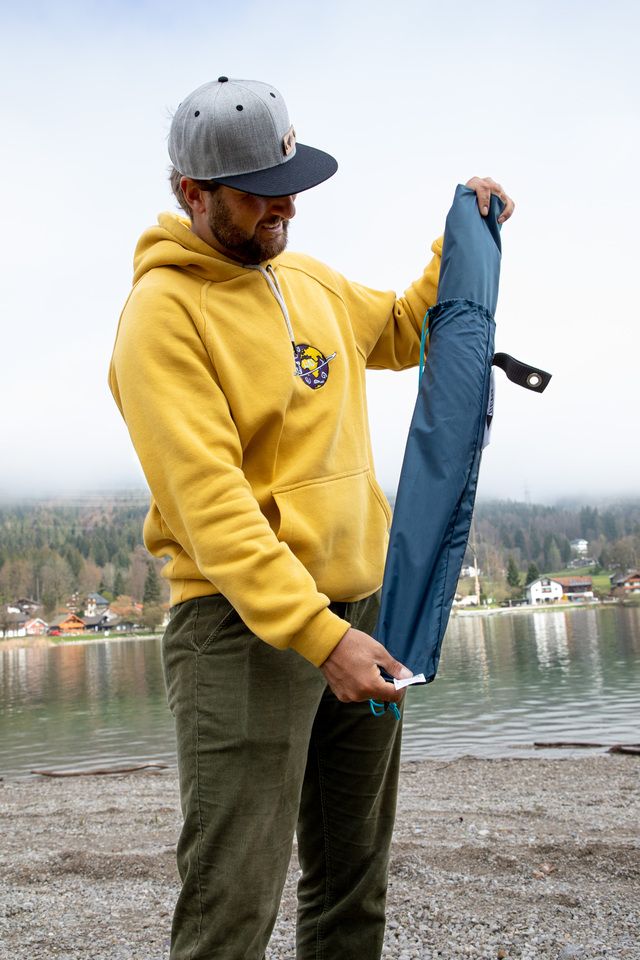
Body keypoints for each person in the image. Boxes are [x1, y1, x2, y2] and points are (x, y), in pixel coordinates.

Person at [109, 76, 514, 960]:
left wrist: (462, 237)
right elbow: (212, 511)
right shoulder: (160, 319)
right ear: (194, 194)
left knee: (353, 880)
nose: (286, 205)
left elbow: (405, 328)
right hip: (239, 632)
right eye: (260, 191)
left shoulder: (309, 280)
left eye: (291, 182)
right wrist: (321, 639)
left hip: (365, 613)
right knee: (232, 899)